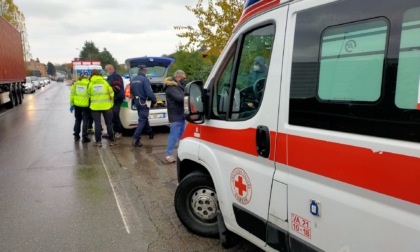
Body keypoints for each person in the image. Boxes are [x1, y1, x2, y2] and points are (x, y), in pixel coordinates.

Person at [87, 69, 116, 147]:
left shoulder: (91, 84)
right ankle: (112, 140)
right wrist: (110, 98)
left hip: (95, 107)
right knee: (109, 124)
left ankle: (98, 142)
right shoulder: (105, 82)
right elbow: (111, 93)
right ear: (100, 74)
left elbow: (88, 95)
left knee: (97, 124)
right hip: (106, 106)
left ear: (92, 75)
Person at [163, 70, 187, 163]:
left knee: (182, 136)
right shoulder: (171, 88)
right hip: (175, 115)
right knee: (174, 136)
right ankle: (168, 155)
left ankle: (182, 152)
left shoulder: (178, 86)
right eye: (183, 78)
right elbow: (180, 98)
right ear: (178, 77)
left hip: (180, 114)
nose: (184, 80)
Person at [131, 65, 156, 147]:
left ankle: (150, 132)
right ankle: (136, 138)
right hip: (144, 103)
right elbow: (149, 93)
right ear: (144, 70)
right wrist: (154, 101)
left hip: (137, 102)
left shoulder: (133, 79)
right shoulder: (144, 80)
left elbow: (131, 92)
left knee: (144, 118)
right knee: (142, 120)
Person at [70, 71, 91, 143]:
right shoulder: (89, 84)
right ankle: (84, 137)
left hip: (77, 105)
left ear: (80, 76)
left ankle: (76, 135)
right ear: (87, 76)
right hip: (86, 105)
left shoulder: (75, 84)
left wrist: (71, 104)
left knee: (78, 119)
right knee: (85, 120)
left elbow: (72, 95)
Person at [105, 64, 124, 139]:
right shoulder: (110, 77)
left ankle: (118, 132)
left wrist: (108, 92)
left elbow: (117, 88)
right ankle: (112, 131)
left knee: (115, 115)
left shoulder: (116, 76)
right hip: (113, 98)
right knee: (111, 116)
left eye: (106, 70)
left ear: (110, 69)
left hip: (117, 98)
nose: (106, 72)